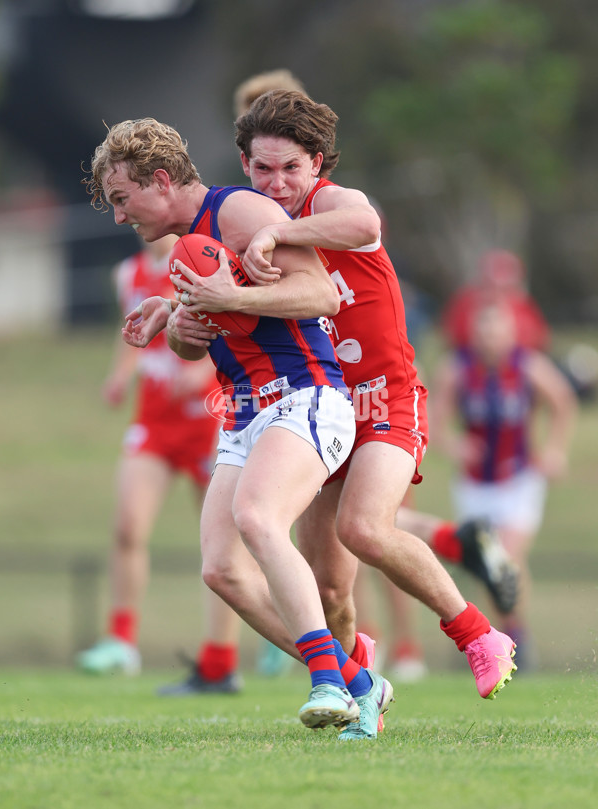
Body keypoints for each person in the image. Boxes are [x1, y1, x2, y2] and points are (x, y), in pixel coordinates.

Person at [170, 91, 518, 740]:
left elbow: (364, 225)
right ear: (244, 165)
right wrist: (177, 318)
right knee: (330, 591)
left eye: (291, 169)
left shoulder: (325, 205)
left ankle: (478, 635)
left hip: (385, 394)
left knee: (364, 525)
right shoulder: (239, 226)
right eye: (262, 169)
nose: (276, 184)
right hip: (317, 405)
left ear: (316, 165)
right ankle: (364, 696)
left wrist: (280, 228)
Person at [84, 116, 394, 735]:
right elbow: (202, 346)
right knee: (221, 570)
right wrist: (178, 327)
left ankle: (328, 683)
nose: (119, 217)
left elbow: (320, 296)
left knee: (258, 517)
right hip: (246, 412)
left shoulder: (239, 211)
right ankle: (363, 683)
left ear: (161, 180)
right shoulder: (183, 248)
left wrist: (228, 300)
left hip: (308, 396)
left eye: (123, 199)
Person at [75, 234, 244, 690]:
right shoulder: (127, 273)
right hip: (154, 419)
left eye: (130, 197)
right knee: (128, 526)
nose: (124, 216)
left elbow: (238, 326)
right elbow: (129, 329)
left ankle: (221, 658)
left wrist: (202, 371)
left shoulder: (204, 258)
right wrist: (120, 375)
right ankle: (121, 641)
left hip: (210, 420)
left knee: (221, 548)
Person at [431, 301, 577, 669]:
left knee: (508, 557)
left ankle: (515, 638)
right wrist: (454, 444)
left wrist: (554, 450)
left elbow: (563, 401)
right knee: (487, 562)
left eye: (497, 331)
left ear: (511, 334)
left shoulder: (527, 366)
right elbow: (434, 420)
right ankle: (493, 636)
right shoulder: (458, 369)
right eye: (484, 331)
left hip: (519, 478)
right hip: (475, 483)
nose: (490, 339)